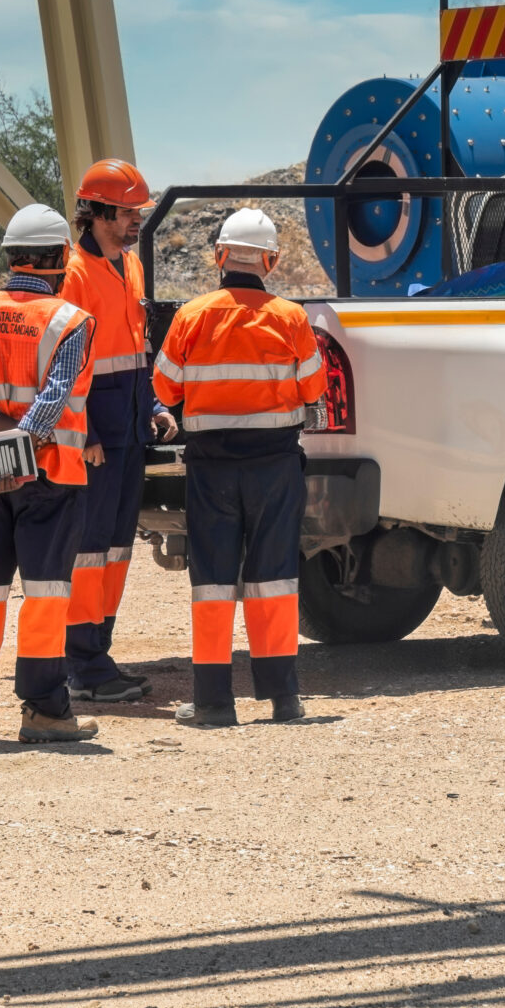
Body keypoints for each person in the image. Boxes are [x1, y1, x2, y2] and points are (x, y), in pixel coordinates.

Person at [150, 208, 325, 728]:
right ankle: (283, 699)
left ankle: (212, 704)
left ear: (220, 257)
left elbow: (164, 390)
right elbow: (313, 389)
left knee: (213, 583)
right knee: (275, 579)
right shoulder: (291, 317)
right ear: (269, 261)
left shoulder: (191, 316)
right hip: (275, 467)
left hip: (212, 468)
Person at [0, 203, 102, 744]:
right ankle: (45, 710)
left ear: (11, 257)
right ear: (59, 257)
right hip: (50, 478)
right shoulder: (71, 322)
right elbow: (53, 400)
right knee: (46, 595)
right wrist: (19, 453)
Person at [60, 159, 179, 705]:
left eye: (137, 213)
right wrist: (80, 429)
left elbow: (135, 348)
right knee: (89, 550)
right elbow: (65, 361)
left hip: (129, 426)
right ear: (100, 212)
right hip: (96, 436)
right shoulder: (74, 273)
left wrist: (153, 402)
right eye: (129, 213)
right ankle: (80, 662)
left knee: (114, 549)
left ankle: (96, 654)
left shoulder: (129, 267)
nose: (136, 221)